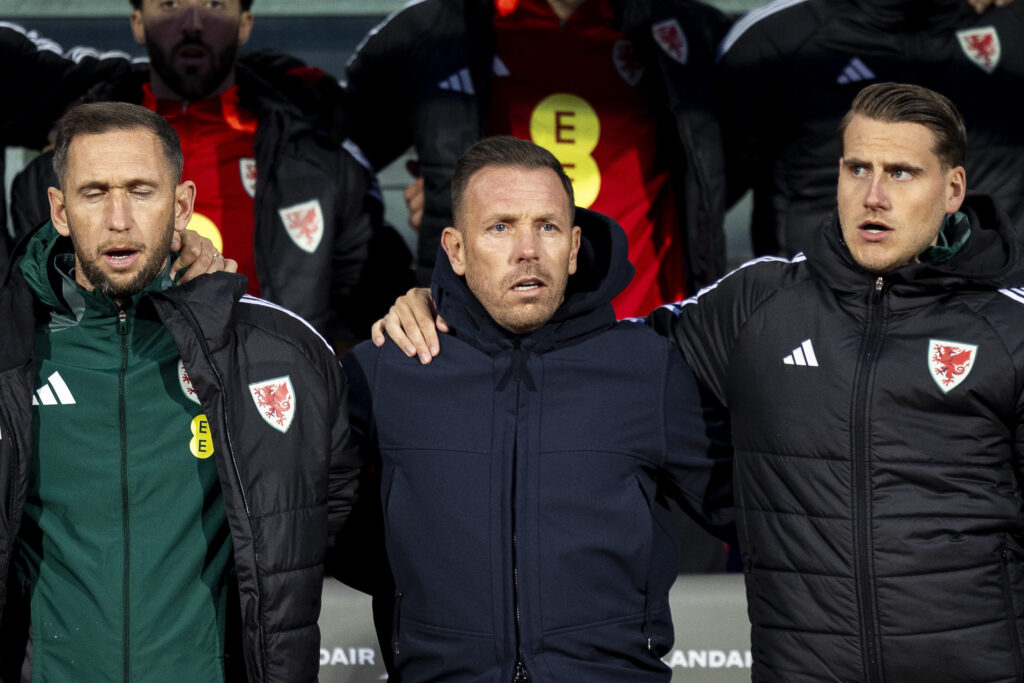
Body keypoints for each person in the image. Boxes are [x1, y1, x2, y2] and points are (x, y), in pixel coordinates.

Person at [376, 83, 1024, 680]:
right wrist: (445, 304)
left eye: (901, 173)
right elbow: (589, 353)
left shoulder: (1008, 328)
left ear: (954, 187)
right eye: (857, 168)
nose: (873, 195)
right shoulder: (756, 302)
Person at [342, 136, 732, 681]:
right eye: (500, 227)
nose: (528, 249)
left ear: (573, 247)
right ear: (454, 249)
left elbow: (754, 512)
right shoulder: (389, 368)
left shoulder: (647, 369)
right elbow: (312, 526)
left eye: (546, 226)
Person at [0, 102, 360, 682]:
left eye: (142, 191)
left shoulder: (272, 350)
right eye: (94, 194)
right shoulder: (12, 352)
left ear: (182, 206)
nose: (119, 218)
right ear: (59, 211)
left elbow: (325, 502)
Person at [8, 0, 412, 350]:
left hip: (269, 408)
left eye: (215, 4)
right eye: (169, 4)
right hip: (124, 410)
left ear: (245, 24)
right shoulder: (59, 174)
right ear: (137, 22)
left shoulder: (318, 161)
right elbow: (35, 313)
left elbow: (371, 315)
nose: (192, 23)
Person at [345, 0, 731, 316]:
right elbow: (331, 174)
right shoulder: (433, 31)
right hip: (492, 352)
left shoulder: (690, 31)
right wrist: (400, 283)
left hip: (651, 331)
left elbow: (735, 169)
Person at [717, 0, 1024, 257]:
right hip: (821, 311)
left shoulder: (1011, 27)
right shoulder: (778, 38)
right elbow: (699, 200)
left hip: (989, 310)